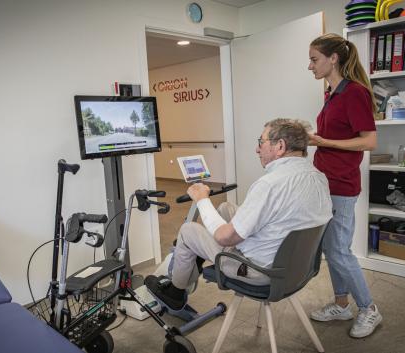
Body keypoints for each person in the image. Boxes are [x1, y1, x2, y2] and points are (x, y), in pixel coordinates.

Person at [145, 118, 332, 311]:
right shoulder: (319, 177)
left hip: (260, 272)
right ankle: (196, 256)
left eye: (261, 142)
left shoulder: (270, 184)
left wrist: (202, 199)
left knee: (188, 231)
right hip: (298, 269)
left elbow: (225, 237)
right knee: (226, 207)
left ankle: (174, 293)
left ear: (280, 146)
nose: (257, 150)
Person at [307, 33, 381, 338]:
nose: (309, 66)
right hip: (325, 183)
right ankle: (341, 304)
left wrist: (324, 141)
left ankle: (369, 309)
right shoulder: (332, 93)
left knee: (339, 250)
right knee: (330, 248)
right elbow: (335, 136)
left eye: (314, 59)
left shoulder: (354, 93)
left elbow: (369, 141)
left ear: (333, 58)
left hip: (342, 185)